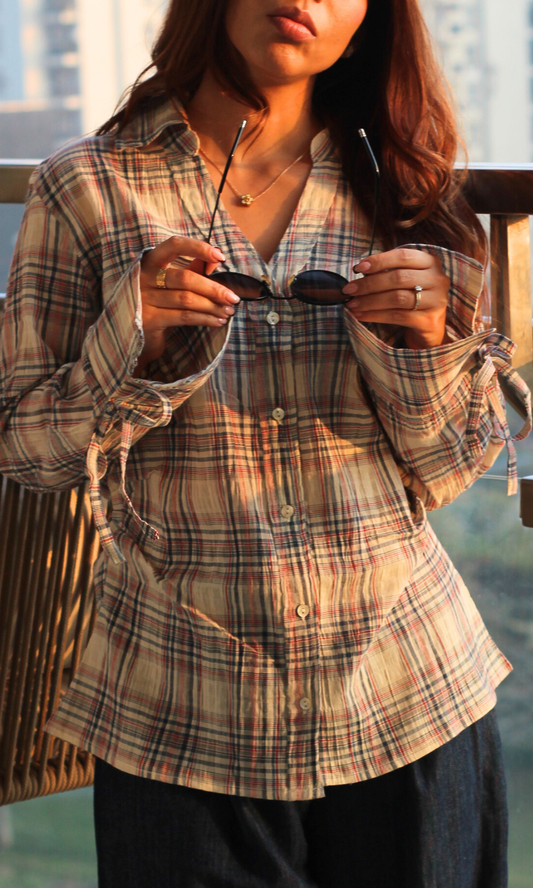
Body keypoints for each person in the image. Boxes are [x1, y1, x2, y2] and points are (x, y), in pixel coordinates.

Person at [0, 0, 531, 885]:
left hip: (410, 696)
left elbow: (442, 467)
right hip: (177, 710)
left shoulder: (406, 180)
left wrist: (422, 347)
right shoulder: (86, 185)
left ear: (369, 21)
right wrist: (132, 349)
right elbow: (23, 447)